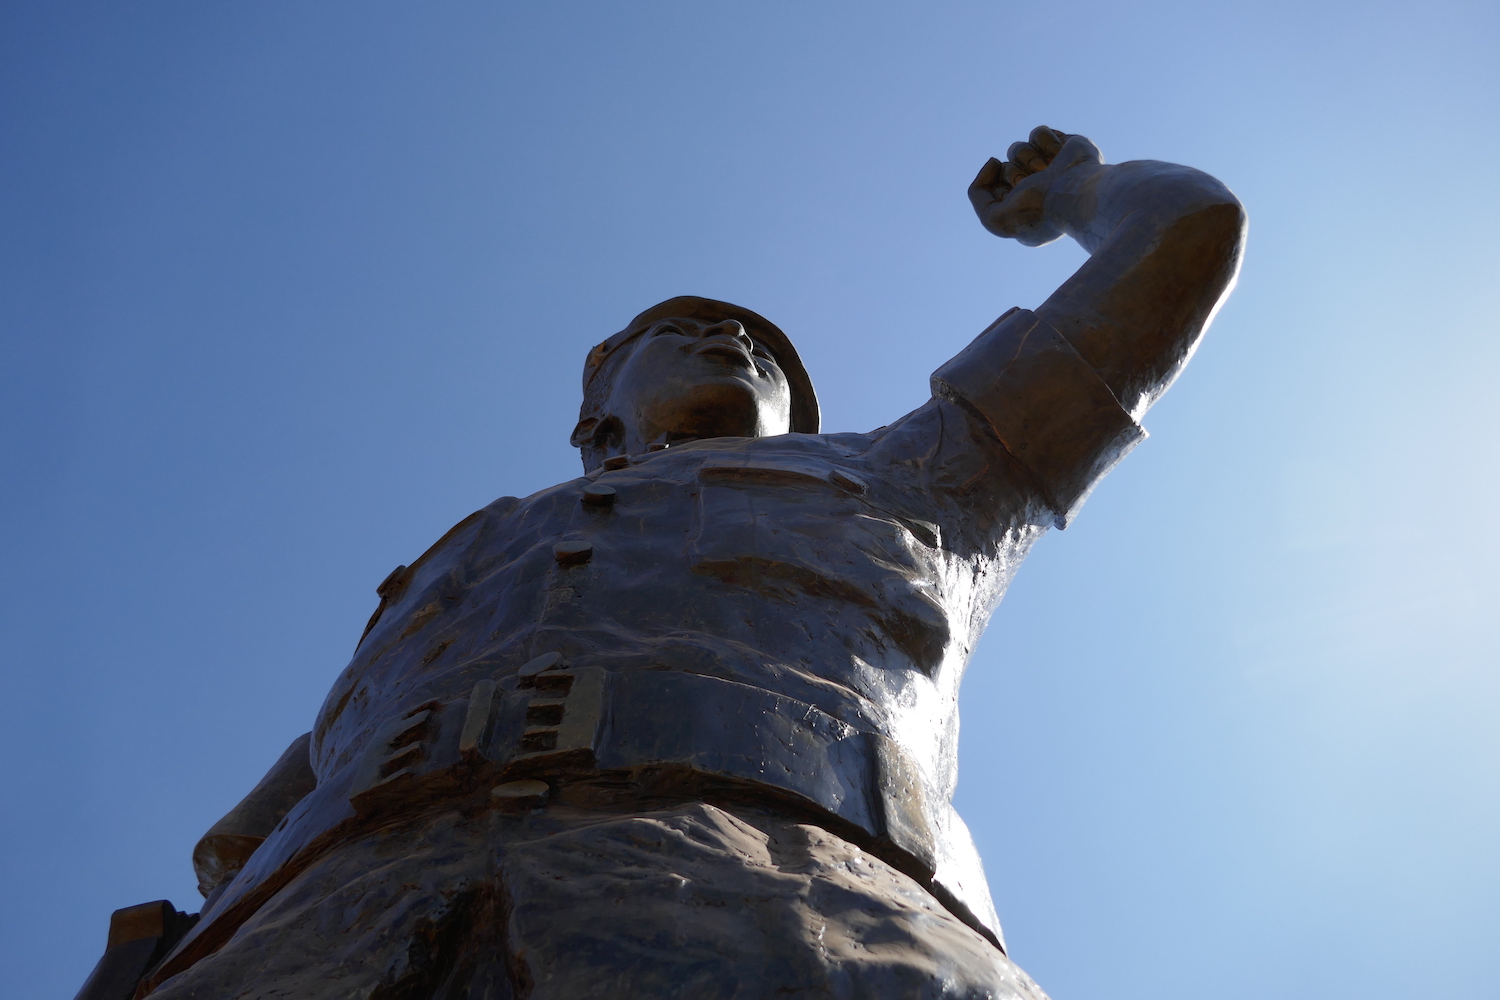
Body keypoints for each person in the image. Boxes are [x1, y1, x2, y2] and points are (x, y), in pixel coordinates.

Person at [129, 127, 1245, 1000]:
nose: (740, 343)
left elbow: (1188, 233)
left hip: (792, 905)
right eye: (688, 327)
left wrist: (1079, 192)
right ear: (593, 410)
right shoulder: (460, 553)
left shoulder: (918, 471)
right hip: (316, 933)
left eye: (766, 352)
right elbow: (240, 839)